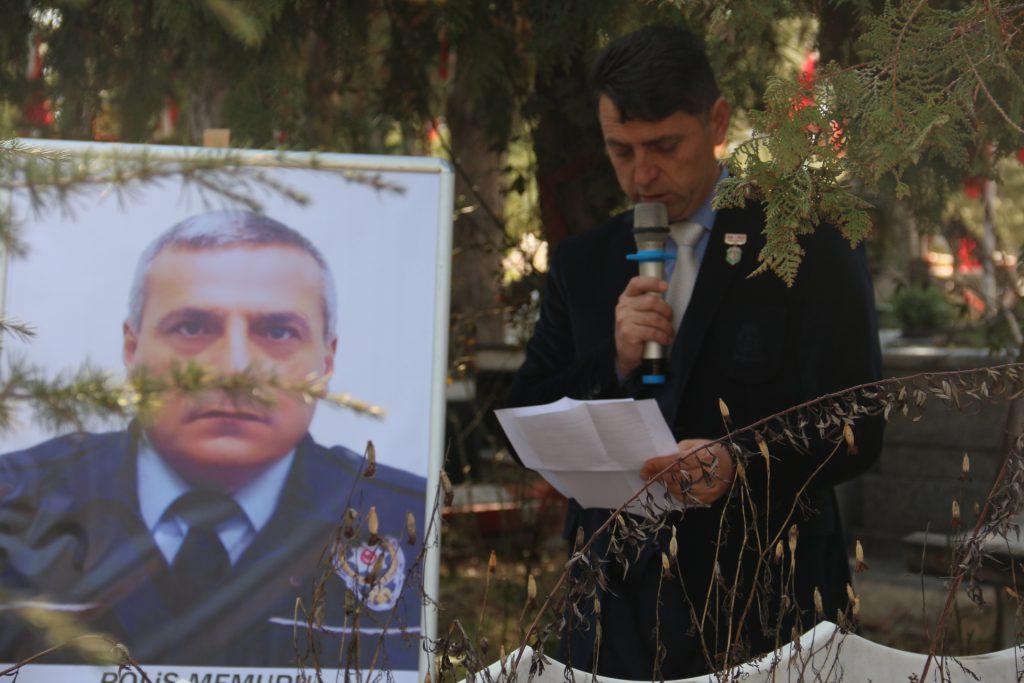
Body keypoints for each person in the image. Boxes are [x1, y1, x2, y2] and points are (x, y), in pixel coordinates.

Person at [506, 26, 884, 679]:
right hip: (614, 613)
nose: (642, 173)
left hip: (767, 606)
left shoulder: (806, 242)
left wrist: (739, 462)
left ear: (716, 121)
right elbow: (525, 416)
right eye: (619, 151)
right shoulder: (584, 262)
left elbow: (859, 424)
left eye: (663, 146)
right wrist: (613, 361)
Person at [0, 211, 425, 669]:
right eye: (192, 327)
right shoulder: (16, 502)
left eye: (277, 331)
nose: (233, 368)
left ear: (326, 360)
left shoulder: (408, 520)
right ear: (131, 348)